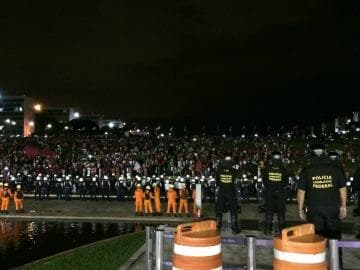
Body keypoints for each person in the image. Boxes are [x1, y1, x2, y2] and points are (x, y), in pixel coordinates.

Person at [297, 143, 347, 239]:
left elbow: (301, 192)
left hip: (314, 209)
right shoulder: (336, 169)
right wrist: (343, 206)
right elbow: (343, 189)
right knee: (334, 237)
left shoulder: (306, 170)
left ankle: (320, 253)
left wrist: (300, 210)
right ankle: (335, 254)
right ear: (325, 153)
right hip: (332, 208)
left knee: (316, 238)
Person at [262, 151, 289, 235]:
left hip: (270, 192)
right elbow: (286, 182)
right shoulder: (284, 169)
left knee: (269, 211)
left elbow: (264, 181)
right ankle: (282, 232)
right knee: (281, 212)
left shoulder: (267, 168)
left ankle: (267, 230)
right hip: (280, 193)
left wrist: (270, 187)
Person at [215, 151, 240, 234]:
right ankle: (234, 228)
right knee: (233, 210)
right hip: (230, 191)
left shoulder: (219, 169)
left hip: (222, 191)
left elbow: (217, 181)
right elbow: (236, 177)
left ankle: (218, 227)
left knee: (219, 209)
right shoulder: (234, 169)